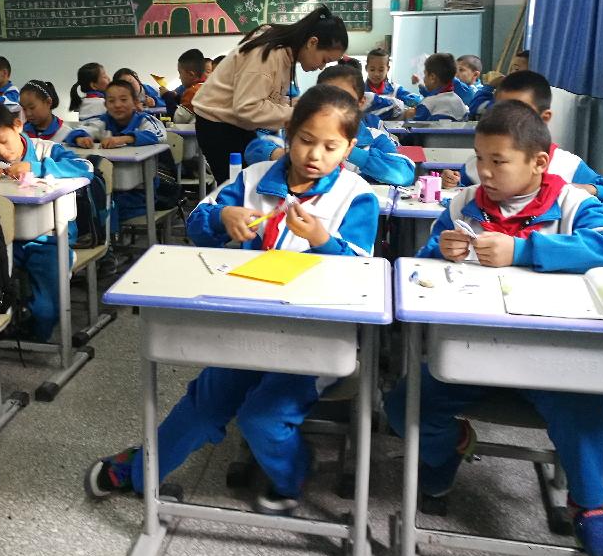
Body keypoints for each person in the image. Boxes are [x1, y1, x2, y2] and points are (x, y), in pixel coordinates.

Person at [85, 85, 380, 513]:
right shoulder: (254, 178)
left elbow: (361, 275)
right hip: (246, 326)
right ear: (288, 133)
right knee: (202, 407)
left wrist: (322, 239)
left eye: (330, 147)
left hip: (315, 338)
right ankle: (139, 472)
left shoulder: (355, 195)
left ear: (349, 148)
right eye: (305, 140)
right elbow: (199, 223)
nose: (315, 155)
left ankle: (294, 473)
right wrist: (223, 216)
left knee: (262, 418)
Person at [383, 100, 603, 556]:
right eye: (479, 158)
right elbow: (420, 269)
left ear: (538, 163)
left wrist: (522, 250)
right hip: (472, 355)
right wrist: (440, 250)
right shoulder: (463, 203)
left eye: (498, 161)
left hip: (551, 359)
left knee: (584, 407)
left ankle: (590, 508)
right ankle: (446, 452)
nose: (484, 171)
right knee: (404, 405)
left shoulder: (571, 203)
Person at [0, 101, 93, 341]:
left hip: (49, 240)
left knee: (46, 310)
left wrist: (37, 167)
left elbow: (85, 167)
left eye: (3, 141)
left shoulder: (46, 150)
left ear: (17, 125)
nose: (1, 152)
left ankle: (36, 337)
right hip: (1, 240)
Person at [443, 70, 603, 225]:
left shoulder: (567, 166)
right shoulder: (478, 163)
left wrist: (592, 189)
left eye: (519, 112)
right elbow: (462, 195)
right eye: (500, 110)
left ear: (544, 118)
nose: (506, 119)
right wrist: (452, 182)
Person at [192, 5, 348, 184]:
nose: (321, 67)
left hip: (235, 123)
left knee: (250, 183)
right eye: (324, 60)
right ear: (312, 42)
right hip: (218, 125)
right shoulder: (267, 52)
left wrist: (303, 105)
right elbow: (248, 108)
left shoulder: (286, 54)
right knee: (237, 187)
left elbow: (268, 98)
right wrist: (301, 114)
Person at [245, 66, 415, 186]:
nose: (333, 106)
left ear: (361, 102)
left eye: (344, 98)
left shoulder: (374, 137)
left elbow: (404, 173)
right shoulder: (298, 132)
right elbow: (254, 150)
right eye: (326, 97)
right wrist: (282, 153)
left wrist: (345, 151)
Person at [67, 80, 166, 224]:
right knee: (88, 204)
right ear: (106, 105)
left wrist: (125, 139)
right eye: (111, 101)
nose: (118, 105)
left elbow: (160, 135)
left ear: (135, 102)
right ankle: (102, 233)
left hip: (141, 195)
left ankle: (107, 236)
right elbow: (78, 131)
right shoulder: (103, 121)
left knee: (102, 207)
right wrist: (80, 139)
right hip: (111, 190)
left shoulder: (144, 120)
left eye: (124, 100)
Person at [402, 53, 468, 121]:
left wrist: (407, 116)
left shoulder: (427, 105)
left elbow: (414, 126)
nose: (424, 79)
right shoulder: (459, 102)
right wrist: (420, 84)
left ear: (432, 77)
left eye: (425, 74)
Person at [364, 47, 419, 120]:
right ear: (366, 68)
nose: (376, 74)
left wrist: (420, 84)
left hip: (391, 125)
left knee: (412, 112)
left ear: (388, 69)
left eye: (381, 70)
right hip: (368, 124)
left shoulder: (395, 89)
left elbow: (417, 101)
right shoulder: (360, 90)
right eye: (372, 70)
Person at [160, 48, 207, 122]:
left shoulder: (193, 92)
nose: (179, 77)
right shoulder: (207, 87)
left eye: (180, 73)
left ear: (191, 74)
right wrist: (177, 97)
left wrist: (167, 96)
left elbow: (177, 119)